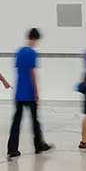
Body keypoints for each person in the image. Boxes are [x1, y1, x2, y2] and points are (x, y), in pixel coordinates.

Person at [6, 27, 51, 159]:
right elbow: (32, 73)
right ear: (35, 39)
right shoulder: (32, 53)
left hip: (19, 92)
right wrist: (36, 92)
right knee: (35, 120)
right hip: (29, 92)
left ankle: (12, 148)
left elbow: (19, 71)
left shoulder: (19, 52)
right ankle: (38, 145)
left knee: (16, 121)